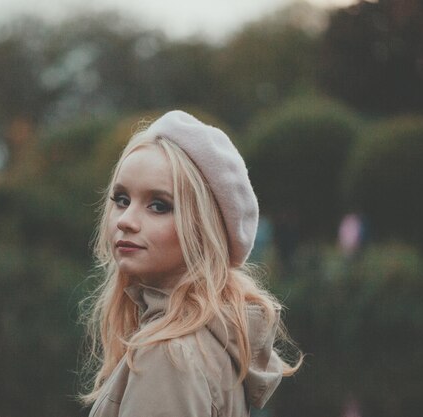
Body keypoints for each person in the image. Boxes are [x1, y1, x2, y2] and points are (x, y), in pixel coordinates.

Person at [81, 110, 301, 417]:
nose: (126, 220)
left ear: (203, 229)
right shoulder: (206, 341)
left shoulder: (168, 355)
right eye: (121, 199)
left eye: (159, 205)